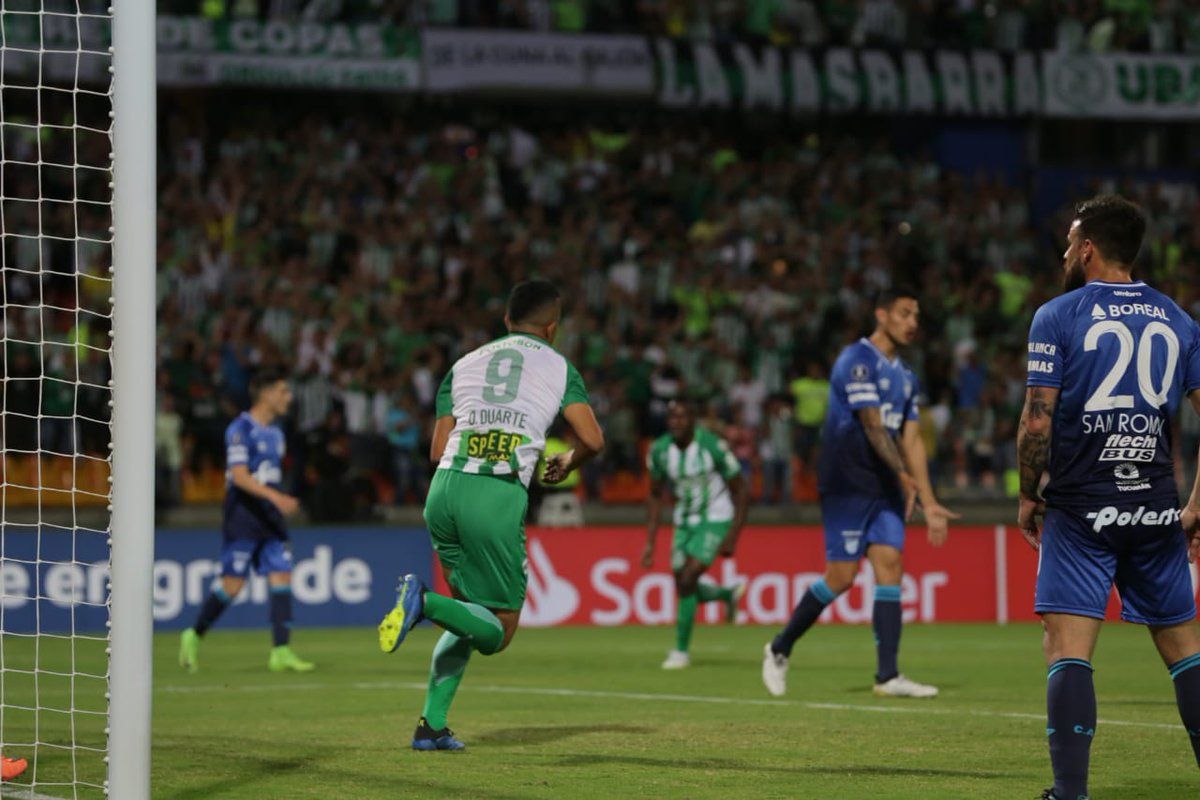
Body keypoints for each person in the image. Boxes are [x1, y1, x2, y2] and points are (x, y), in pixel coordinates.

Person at [1015, 195, 1200, 800]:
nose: (1067, 252)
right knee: (1185, 651)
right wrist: (1195, 504)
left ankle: (1070, 793)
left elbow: (1037, 423)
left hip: (1083, 505)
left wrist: (1026, 494)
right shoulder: (1179, 319)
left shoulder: (1057, 315)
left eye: (1071, 242)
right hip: (1154, 505)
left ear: (1088, 247)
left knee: (1067, 647)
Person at [377, 280, 605, 751]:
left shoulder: (462, 366)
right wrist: (568, 461)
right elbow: (594, 439)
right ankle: (424, 601)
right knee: (497, 631)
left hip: (444, 493)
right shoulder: (560, 367)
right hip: (495, 494)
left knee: (470, 615)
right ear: (553, 327)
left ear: (505, 321)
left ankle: (431, 727)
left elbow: (438, 449)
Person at [762, 286, 959, 698]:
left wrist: (930, 497)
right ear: (881, 314)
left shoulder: (907, 377)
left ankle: (888, 676)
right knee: (842, 577)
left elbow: (912, 440)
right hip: (847, 487)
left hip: (886, 488)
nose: (912, 323)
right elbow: (871, 424)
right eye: (905, 313)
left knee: (890, 566)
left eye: (916, 317)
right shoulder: (856, 361)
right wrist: (904, 476)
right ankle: (779, 646)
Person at [178, 367, 314, 674]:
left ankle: (281, 651)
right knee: (232, 585)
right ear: (266, 394)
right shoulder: (240, 428)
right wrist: (276, 497)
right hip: (243, 517)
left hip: (270, 518)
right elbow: (239, 477)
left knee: (282, 575)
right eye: (283, 391)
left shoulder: (277, 433)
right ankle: (194, 633)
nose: (288, 398)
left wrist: (275, 501)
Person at [642, 399, 748, 669]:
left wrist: (733, 534)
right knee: (682, 584)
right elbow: (654, 494)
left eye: (681, 417)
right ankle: (726, 595)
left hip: (716, 517)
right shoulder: (660, 450)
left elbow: (740, 489)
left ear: (693, 419)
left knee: (688, 577)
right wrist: (650, 542)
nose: (675, 422)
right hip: (684, 521)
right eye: (671, 417)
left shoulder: (712, 446)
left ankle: (681, 651)